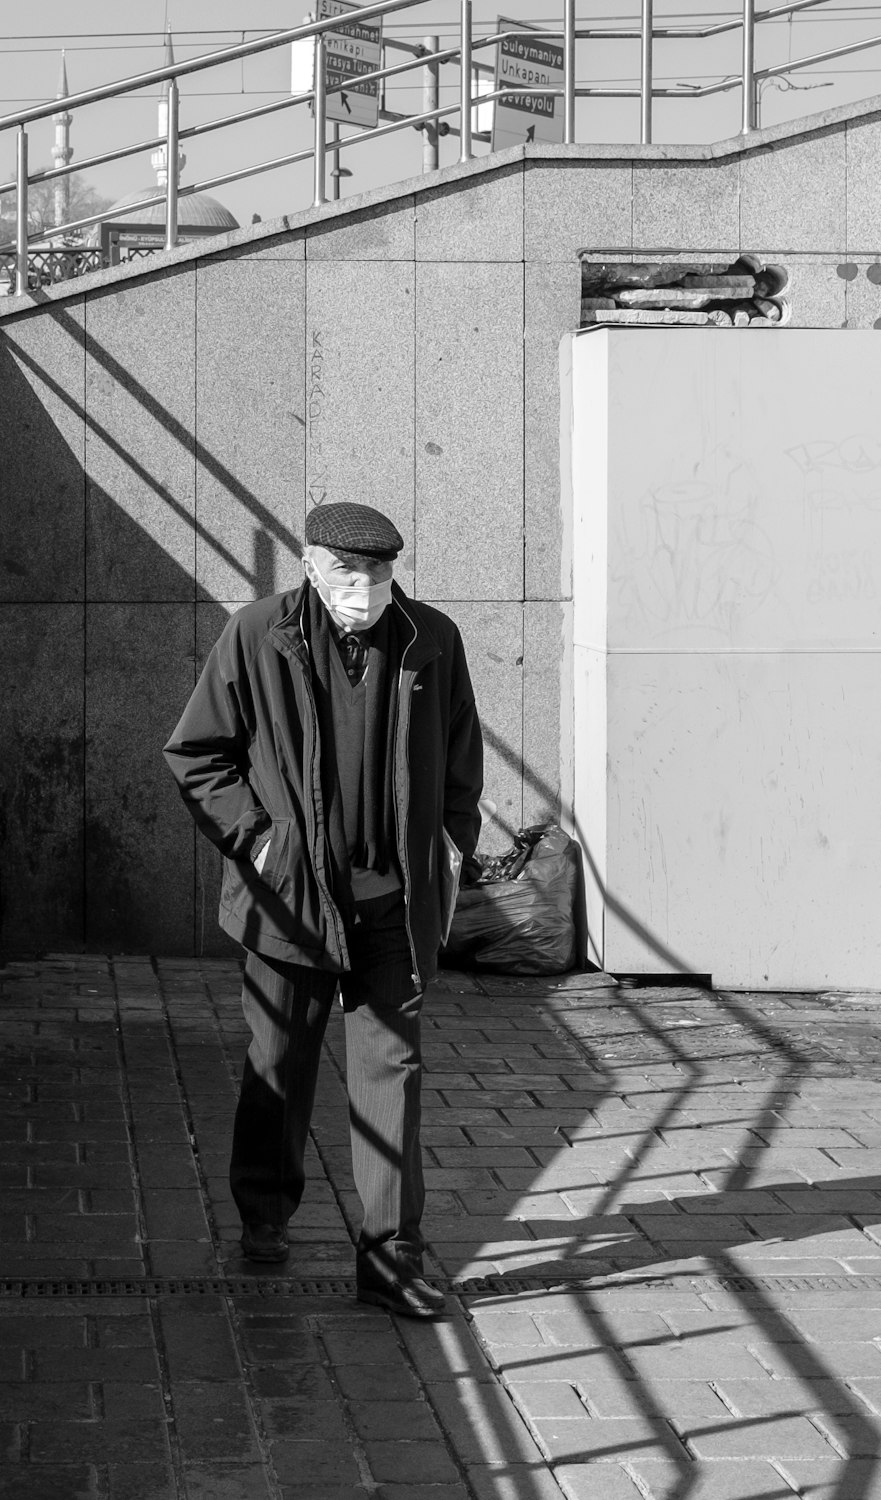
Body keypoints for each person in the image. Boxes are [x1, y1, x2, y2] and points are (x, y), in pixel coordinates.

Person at [163, 502, 483, 1319]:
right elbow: (198, 754)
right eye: (347, 571)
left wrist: (447, 850)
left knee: (392, 1073)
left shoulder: (430, 639)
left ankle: (391, 1257)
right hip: (291, 901)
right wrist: (259, 845)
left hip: (391, 902)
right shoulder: (258, 633)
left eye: (378, 571)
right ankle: (264, 1212)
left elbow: (459, 766)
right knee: (280, 1060)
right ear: (309, 563)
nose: (365, 587)